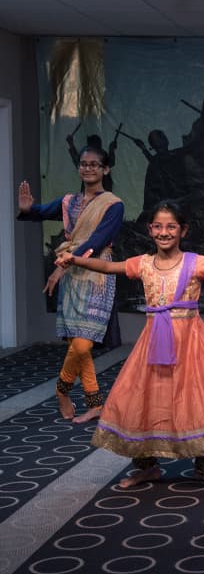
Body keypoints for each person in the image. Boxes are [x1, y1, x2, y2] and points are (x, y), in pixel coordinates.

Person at [55, 201, 204, 487]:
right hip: (153, 341)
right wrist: (76, 260)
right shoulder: (143, 263)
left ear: (183, 230)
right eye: (158, 226)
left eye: (171, 227)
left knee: (200, 400)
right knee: (143, 399)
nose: (164, 232)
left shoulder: (196, 262)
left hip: (190, 344)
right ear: (150, 229)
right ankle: (147, 466)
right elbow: (108, 266)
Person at [18, 146, 124, 424]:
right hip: (71, 275)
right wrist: (28, 209)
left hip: (97, 273)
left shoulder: (113, 204)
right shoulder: (69, 202)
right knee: (78, 341)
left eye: (94, 165)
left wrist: (64, 264)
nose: (88, 168)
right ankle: (95, 403)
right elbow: (39, 211)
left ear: (105, 169)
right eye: (83, 164)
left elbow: (96, 242)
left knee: (82, 344)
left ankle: (61, 390)